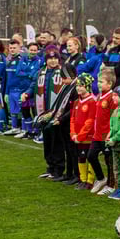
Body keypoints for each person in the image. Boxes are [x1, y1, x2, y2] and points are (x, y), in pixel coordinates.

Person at [35, 46, 76, 180]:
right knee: (47, 141)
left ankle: (58, 169)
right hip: (45, 112)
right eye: (50, 58)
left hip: (57, 115)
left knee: (57, 142)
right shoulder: (41, 72)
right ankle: (50, 167)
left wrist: (58, 116)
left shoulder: (63, 73)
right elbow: (33, 85)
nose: (52, 61)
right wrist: (27, 93)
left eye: (55, 58)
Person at [86, 67, 120, 194]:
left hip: (106, 135)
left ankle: (111, 185)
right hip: (97, 134)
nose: (98, 84)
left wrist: (111, 133)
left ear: (109, 84)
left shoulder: (112, 97)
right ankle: (101, 178)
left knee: (109, 160)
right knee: (91, 156)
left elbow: (114, 117)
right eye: (98, 81)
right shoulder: (100, 96)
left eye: (101, 82)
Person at [70, 73, 98, 190]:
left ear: (87, 86)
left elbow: (90, 121)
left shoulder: (92, 101)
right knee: (81, 157)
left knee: (89, 157)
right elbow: (72, 119)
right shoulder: (77, 101)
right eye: (77, 85)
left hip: (87, 137)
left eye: (81, 85)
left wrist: (80, 136)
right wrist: (73, 134)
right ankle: (82, 179)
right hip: (77, 137)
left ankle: (90, 181)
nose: (78, 88)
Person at [16, 42, 43, 138]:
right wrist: (28, 74)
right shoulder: (22, 59)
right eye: (31, 50)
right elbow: (17, 72)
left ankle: (37, 131)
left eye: (35, 50)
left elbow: (34, 74)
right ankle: (29, 131)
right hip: (22, 89)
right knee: (25, 111)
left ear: (38, 51)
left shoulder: (39, 61)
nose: (33, 52)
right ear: (27, 50)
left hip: (33, 90)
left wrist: (25, 72)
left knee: (35, 112)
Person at [3, 41, 26, 135]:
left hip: (19, 90)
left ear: (19, 48)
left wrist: (22, 90)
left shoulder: (22, 60)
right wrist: (6, 92)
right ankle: (14, 127)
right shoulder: (9, 61)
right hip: (11, 90)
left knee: (22, 111)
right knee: (12, 110)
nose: (12, 50)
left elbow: (24, 77)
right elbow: (8, 78)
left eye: (14, 48)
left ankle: (24, 129)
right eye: (11, 48)